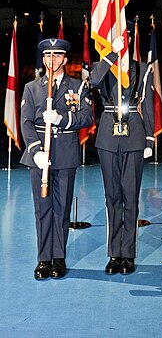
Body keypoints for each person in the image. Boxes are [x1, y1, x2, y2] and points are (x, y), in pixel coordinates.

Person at [20, 38, 93, 280]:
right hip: (40, 154)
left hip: (65, 152)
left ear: (64, 59)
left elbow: (87, 117)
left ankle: (59, 258)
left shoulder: (78, 86)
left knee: (61, 210)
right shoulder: (32, 88)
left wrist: (62, 118)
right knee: (42, 209)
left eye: (57, 56)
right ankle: (43, 259)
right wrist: (35, 151)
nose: (52, 60)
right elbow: (26, 122)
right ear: (43, 59)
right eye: (48, 56)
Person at [90, 29, 154, 275]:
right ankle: (113, 252)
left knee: (130, 196)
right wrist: (110, 55)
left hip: (134, 135)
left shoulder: (141, 67)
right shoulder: (102, 65)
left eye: (124, 39)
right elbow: (94, 81)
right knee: (112, 197)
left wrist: (148, 139)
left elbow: (146, 104)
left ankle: (127, 253)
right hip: (108, 134)